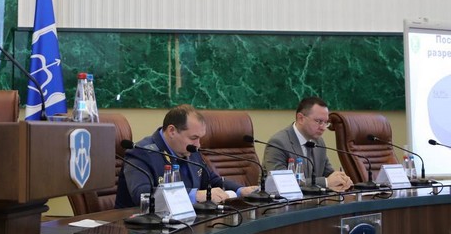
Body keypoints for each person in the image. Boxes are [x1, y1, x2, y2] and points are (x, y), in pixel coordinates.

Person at [115, 104, 259, 208]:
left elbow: (211, 180)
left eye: (200, 138)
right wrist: (195, 195)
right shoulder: (142, 153)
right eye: (193, 138)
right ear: (172, 131)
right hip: (138, 228)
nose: (198, 145)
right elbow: (142, 195)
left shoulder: (190, 150)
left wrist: (240, 190)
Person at [263, 96, 354, 192]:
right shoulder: (278, 143)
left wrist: (341, 179)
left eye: (326, 122)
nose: (323, 128)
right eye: (319, 121)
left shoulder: (319, 142)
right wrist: (326, 182)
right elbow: (283, 184)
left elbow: (329, 174)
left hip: (314, 200)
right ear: (301, 118)